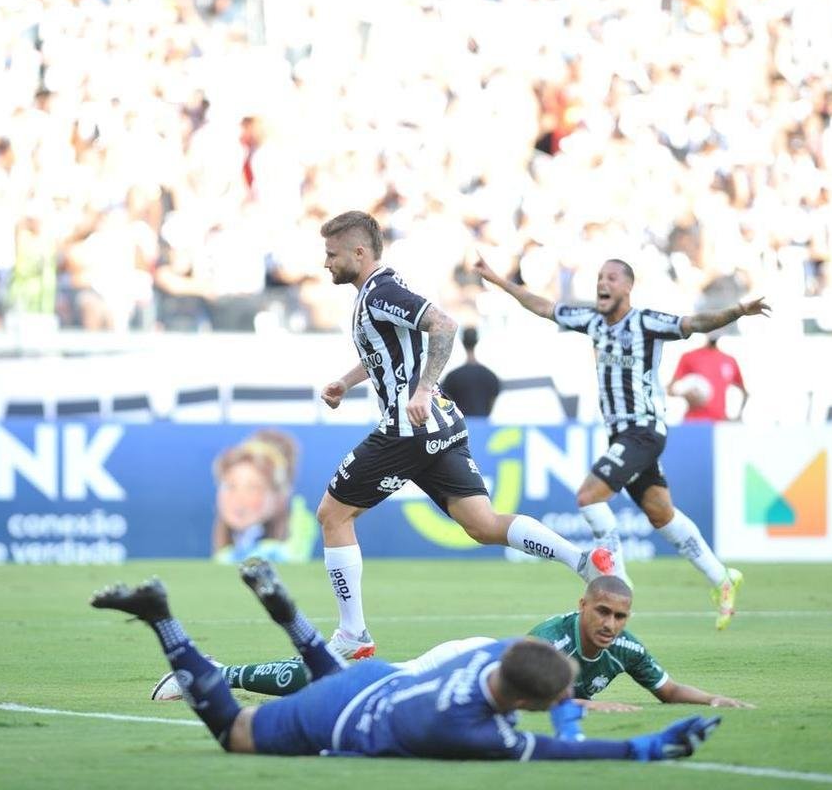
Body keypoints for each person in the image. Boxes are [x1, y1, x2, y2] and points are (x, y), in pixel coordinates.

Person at [316, 211, 615, 660]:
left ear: (360, 253)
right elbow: (392, 350)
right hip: (441, 426)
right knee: (483, 524)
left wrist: (419, 390)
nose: (326, 263)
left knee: (332, 515)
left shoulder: (383, 292)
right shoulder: (375, 295)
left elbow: (443, 325)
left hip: (407, 431)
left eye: (332, 254)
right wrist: (346, 380)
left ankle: (353, 634)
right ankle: (583, 561)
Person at [91, 558, 722, 761]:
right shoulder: (479, 734)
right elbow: (565, 750)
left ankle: (287, 610)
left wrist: (575, 716)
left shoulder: (498, 655)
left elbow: (543, 681)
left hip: (381, 679)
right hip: (347, 720)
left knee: (326, 666)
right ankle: (161, 617)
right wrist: (637, 746)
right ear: (525, 706)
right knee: (237, 734)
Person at [475, 256, 771, 629]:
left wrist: (739, 311)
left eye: (611, 278)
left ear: (628, 287)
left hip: (644, 429)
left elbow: (694, 324)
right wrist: (500, 281)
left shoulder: (646, 321)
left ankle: (618, 579)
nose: (603, 283)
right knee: (661, 513)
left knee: (588, 496)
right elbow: (544, 307)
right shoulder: (592, 322)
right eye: (599, 277)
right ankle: (722, 579)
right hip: (623, 435)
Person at [153, 576, 752, 712]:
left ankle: (215, 675)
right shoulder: (552, 638)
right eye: (603, 611)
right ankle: (214, 673)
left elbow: (668, 689)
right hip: (456, 663)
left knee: (343, 686)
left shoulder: (627, 650)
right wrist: (592, 706)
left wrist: (718, 701)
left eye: (620, 616)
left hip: (470, 678)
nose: (612, 625)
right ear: (582, 606)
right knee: (344, 683)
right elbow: (530, 685)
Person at [210, 429, 317, 564]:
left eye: (252, 488)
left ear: (279, 495)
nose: (239, 499)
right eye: (230, 486)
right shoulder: (226, 554)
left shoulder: (281, 549)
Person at [669, 333, 749, 422]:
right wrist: (685, 393)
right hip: (693, 422)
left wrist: (738, 417)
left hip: (719, 423)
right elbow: (671, 389)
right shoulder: (689, 357)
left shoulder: (729, 360)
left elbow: (744, 392)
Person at [440, 327, 501, 417]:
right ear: (477, 340)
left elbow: (445, 403)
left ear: (463, 341)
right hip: (483, 425)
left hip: (461, 426)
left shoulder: (452, 376)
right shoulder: (490, 375)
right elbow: (491, 404)